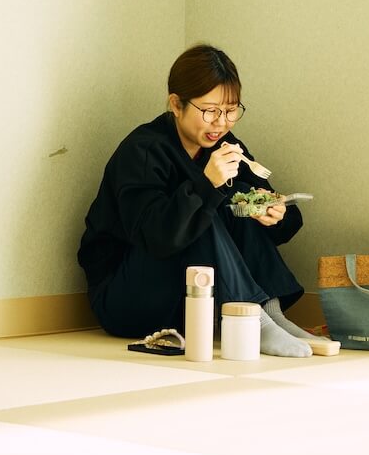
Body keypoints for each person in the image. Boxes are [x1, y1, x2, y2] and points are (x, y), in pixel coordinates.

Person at [77, 44, 318, 358]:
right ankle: (252, 322)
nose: (221, 123)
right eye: (210, 111)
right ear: (176, 105)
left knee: (237, 197)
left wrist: (275, 213)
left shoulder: (225, 145)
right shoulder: (143, 150)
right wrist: (206, 185)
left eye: (230, 111)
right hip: (125, 298)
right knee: (204, 207)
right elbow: (157, 236)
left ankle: (272, 315)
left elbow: (280, 216)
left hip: (189, 303)